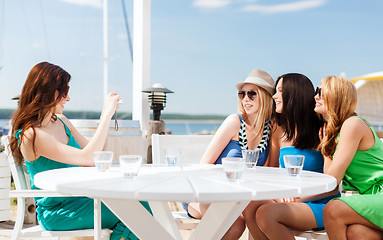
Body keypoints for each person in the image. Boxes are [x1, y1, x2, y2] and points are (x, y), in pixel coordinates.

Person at [9, 62, 151, 240]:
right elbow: (88, 159)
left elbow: (97, 155)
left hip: (81, 200)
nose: (68, 99)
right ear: (48, 91)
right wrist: (106, 114)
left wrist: (104, 119)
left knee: (140, 205)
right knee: (137, 209)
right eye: (64, 92)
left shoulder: (61, 121)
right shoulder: (32, 135)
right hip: (58, 212)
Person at [182, 69, 278, 239]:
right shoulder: (234, 122)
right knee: (236, 222)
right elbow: (205, 164)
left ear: (265, 97)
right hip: (206, 194)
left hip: (239, 199)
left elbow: (266, 172)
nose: (245, 99)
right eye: (242, 94)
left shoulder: (270, 129)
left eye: (251, 94)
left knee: (257, 215)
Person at [243, 73, 339, 240]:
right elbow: (271, 170)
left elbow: (333, 185)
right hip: (288, 200)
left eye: (280, 91)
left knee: (267, 214)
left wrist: (298, 198)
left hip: (320, 203)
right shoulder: (278, 129)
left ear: (294, 95)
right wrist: (279, 195)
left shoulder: (322, 130)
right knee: (249, 205)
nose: (274, 96)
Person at [314, 76, 383, 239]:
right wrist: (326, 149)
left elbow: (332, 179)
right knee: (356, 233)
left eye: (321, 92)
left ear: (336, 95)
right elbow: (329, 184)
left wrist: (326, 148)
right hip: (371, 198)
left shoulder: (353, 124)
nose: (315, 96)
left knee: (333, 209)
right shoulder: (337, 132)